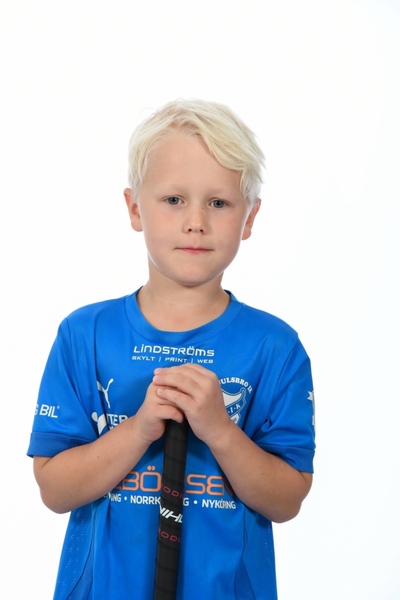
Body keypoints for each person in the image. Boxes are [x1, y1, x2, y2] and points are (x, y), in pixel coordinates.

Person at [28, 99, 315, 600]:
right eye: (174, 199)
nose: (196, 221)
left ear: (250, 217)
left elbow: (286, 499)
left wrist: (219, 429)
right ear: (135, 208)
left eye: (219, 203)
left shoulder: (275, 347)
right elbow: (54, 488)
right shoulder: (84, 335)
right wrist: (139, 428)